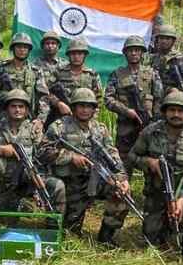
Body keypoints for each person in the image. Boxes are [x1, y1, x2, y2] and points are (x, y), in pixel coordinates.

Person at [39, 88, 129, 244]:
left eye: (89, 106)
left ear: (94, 109)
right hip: (70, 183)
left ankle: (106, 237)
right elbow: (42, 152)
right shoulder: (59, 126)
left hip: (95, 179)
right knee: (70, 233)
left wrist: (122, 178)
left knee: (121, 194)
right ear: (73, 107)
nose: (85, 110)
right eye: (81, 106)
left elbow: (113, 154)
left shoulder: (100, 129)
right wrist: (70, 157)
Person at [129, 91, 183, 255]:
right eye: (172, 110)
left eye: (181, 111)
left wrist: (181, 199)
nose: (176, 114)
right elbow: (132, 156)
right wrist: (149, 162)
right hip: (157, 192)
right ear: (165, 111)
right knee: (151, 238)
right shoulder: (150, 132)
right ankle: (164, 227)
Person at [0, 89, 65, 216]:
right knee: (8, 221)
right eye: (13, 106)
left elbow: (41, 155)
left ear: (27, 110)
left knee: (57, 186)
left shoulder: (34, 130)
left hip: (28, 181)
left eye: (21, 106)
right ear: (6, 109)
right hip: (3, 186)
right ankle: (23, 206)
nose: (17, 110)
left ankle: (53, 226)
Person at [104, 35, 163, 176]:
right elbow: (108, 100)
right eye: (130, 50)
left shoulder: (152, 73)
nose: (134, 53)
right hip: (126, 127)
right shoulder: (117, 74)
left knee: (151, 158)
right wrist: (126, 111)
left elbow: (159, 99)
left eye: (137, 50)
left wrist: (154, 122)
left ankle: (152, 193)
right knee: (124, 160)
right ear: (125, 53)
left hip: (148, 125)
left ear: (142, 52)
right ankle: (123, 190)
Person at [0, 32, 51, 133]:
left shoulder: (35, 70)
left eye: (25, 47)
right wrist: (8, 95)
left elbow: (44, 98)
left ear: (29, 50)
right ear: (13, 48)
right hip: (5, 119)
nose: (22, 50)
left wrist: (40, 120)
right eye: (19, 47)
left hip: (29, 119)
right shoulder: (1, 68)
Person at [49, 37, 103, 112]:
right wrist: (58, 103)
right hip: (62, 115)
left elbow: (98, 99)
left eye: (80, 54)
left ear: (85, 55)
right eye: (73, 54)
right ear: (68, 55)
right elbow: (48, 93)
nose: (76, 57)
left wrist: (93, 116)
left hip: (85, 116)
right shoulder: (58, 72)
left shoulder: (92, 75)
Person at [146, 24, 182, 93]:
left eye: (167, 39)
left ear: (173, 41)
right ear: (157, 40)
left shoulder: (180, 59)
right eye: (161, 38)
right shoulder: (150, 58)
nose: (164, 41)